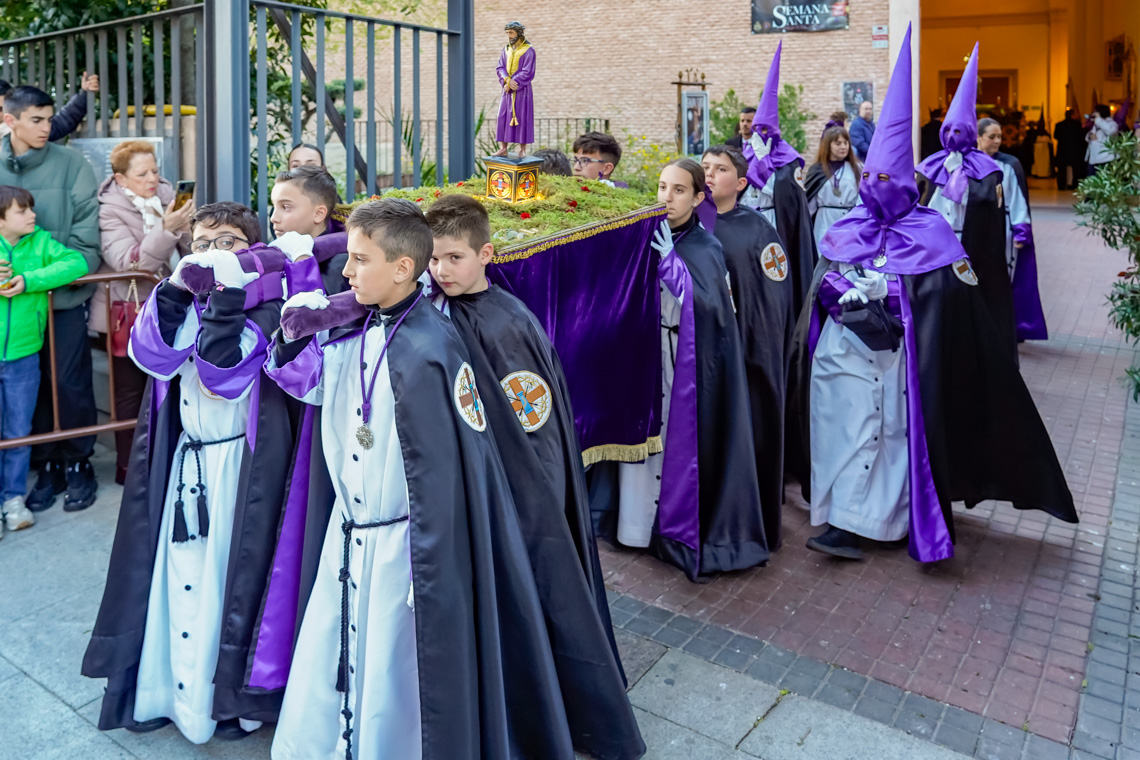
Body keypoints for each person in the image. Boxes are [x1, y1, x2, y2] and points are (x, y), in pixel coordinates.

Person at [266, 198, 586, 759]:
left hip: (404, 548)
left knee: (396, 677)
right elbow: (310, 384)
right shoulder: (356, 327)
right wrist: (296, 334)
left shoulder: (433, 348)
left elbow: (453, 470)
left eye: (359, 259)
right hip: (350, 533)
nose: (346, 272)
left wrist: (434, 561)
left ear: (401, 268)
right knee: (337, 655)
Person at [788, 25, 1076, 562]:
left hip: (901, 360)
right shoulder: (848, 226)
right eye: (870, 177)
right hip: (845, 355)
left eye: (885, 179)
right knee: (844, 432)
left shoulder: (931, 233)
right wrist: (844, 292)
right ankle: (843, 517)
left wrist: (894, 297)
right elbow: (822, 282)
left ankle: (886, 520)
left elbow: (946, 299)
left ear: (905, 185)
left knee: (892, 436)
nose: (874, 187)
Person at [424, 194, 644, 759]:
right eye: (434, 258)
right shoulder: (445, 308)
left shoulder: (506, 327)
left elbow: (534, 423)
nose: (441, 270)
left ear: (486, 254)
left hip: (518, 492)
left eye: (454, 258)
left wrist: (536, 503)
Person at [81, 207, 312, 742]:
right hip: (187, 461)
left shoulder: (269, 309)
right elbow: (151, 356)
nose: (211, 252)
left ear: (252, 250)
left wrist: (227, 298)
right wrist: (175, 293)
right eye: (202, 242)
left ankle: (223, 703)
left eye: (227, 242)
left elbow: (222, 376)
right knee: (177, 577)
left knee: (226, 584)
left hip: (237, 468)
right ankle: (168, 694)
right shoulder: (182, 300)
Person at [596, 158, 766, 581]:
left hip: (681, 360)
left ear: (697, 197)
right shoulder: (645, 235)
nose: (667, 198)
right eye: (662, 187)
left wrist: (672, 266)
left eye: (678, 190)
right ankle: (635, 528)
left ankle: (671, 532)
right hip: (643, 355)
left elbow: (714, 310)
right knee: (641, 440)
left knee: (673, 441)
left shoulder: (706, 246)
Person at [0, 85, 101, 513]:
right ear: (9, 120)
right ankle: (44, 464)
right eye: (36, 120)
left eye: (48, 118)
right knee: (29, 389)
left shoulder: (72, 163)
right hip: (9, 311)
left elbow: (86, 241)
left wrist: (41, 279)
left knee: (68, 382)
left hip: (61, 300)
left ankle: (78, 461)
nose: (47, 127)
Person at [701, 146, 794, 550]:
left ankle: (745, 521)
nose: (709, 174)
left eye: (720, 169)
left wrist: (752, 347)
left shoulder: (758, 230)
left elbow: (773, 298)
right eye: (705, 167)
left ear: (740, 183)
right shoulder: (688, 223)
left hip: (743, 351)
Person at [92, 139, 193, 485]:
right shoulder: (109, 209)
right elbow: (128, 262)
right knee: (130, 393)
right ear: (120, 179)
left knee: (174, 385)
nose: (152, 179)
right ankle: (129, 468)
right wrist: (167, 229)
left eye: (155, 170)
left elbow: (191, 249)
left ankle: (168, 460)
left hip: (172, 306)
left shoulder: (167, 196)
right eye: (142, 174)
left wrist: (186, 225)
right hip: (129, 310)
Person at [0, 185, 88, 539]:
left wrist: (29, 280)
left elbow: (77, 263)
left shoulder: (41, 242)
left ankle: (12, 500)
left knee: (18, 431)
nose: (32, 215)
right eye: (22, 211)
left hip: (23, 355)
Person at [917, 45, 1014, 363]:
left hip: (971, 248)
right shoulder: (931, 167)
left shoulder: (987, 171)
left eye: (959, 130)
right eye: (948, 129)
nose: (952, 134)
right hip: (934, 248)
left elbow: (991, 217)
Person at [742, 41, 817, 313]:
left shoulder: (789, 159)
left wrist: (764, 162)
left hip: (777, 224)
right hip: (748, 221)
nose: (761, 134)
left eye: (766, 129)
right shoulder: (746, 155)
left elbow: (786, 196)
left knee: (776, 277)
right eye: (757, 129)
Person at [977, 117, 1048, 342]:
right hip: (976, 233)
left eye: (999, 136)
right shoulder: (965, 164)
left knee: (1005, 281)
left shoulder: (1009, 164)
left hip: (1004, 232)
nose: (998, 141)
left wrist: (1021, 230)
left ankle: (1004, 328)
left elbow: (1017, 199)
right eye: (992, 137)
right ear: (978, 137)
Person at [270, 164, 349, 295]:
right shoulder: (278, 254)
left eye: (285, 207)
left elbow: (309, 306)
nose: (273, 218)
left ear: (318, 214)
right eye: (274, 206)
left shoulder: (340, 266)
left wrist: (301, 257)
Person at [0, 72, 100, 143]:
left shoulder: (31, 130)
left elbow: (65, 120)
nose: (45, 129)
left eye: (2, 108)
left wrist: (85, 93)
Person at [804, 126, 861, 247]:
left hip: (849, 221)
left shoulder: (857, 168)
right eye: (838, 143)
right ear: (828, 145)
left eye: (846, 143)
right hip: (824, 221)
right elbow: (810, 203)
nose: (843, 147)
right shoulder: (817, 170)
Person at [494, 21, 535, 158]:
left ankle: (522, 149)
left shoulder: (528, 50)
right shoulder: (506, 49)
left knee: (522, 116)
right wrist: (506, 80)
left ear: (519, 32)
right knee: (502, 116)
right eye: (507, 33)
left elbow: (528, 71)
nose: (509, 36)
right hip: (507, 90)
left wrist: (514, 81)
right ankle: (503, 148)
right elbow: (500, 67)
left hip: (522, 90)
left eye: (511, 32)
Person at [1053, 109, 1087, 190]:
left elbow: (1055, 136)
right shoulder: (1077, 124)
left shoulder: (1059, 125)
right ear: (1072, 115)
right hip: (1075, 150)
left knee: (1062, 169)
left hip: (1062, 149)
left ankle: (1061, 185)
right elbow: (1082, 136)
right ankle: (1074, 184)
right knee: (1075, 169)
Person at [1086, 104, 1118, 177]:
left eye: (1095, 112)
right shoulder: (1097, 124)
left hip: (1106, 159)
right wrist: (1090, 136)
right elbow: (1090, 134)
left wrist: (1098, 120)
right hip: (1094, 159)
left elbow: (1111, 132)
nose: (1093, 114)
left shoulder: (1112, 124)